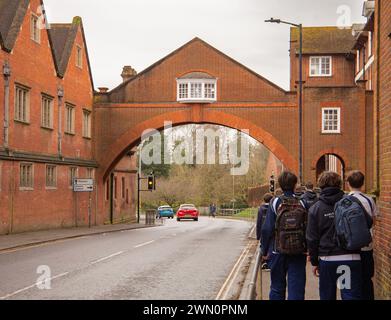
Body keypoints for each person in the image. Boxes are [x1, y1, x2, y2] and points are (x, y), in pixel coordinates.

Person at [306, 171, 363, 300]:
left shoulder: (316, 208)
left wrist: (315, 262)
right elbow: (367, 223)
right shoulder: (352, 201)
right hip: (350, 257)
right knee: (349, 296)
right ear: (339, 184)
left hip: (327, 259)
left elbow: (312, 238)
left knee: (327, 296)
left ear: (320, 185)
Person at [261, 171, 307, 300]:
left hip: (277, 251)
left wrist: (264, 250)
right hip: (298, 252)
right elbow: (307, 228)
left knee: (277, 288)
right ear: (295, 184)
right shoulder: (302, 202)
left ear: (279, 185)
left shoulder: (275, 202)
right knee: (296, 290)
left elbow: (267, 229)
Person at [346, 170, 377, 300]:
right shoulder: (369, 200)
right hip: (366, 246)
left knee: (351, 281)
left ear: (348, 184)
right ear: (363, 184)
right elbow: (373, 221)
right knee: (367, 278)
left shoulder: (344, 200)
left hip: (350, 247)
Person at [257, 193, 273, 270]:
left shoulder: (260, 209)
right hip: (271, 230)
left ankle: (264, 262)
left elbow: (258, 222)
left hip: (263, 231)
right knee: (271, 246)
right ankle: (269, 263)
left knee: (263, 247)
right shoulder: (273, 208)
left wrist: (258, 235)